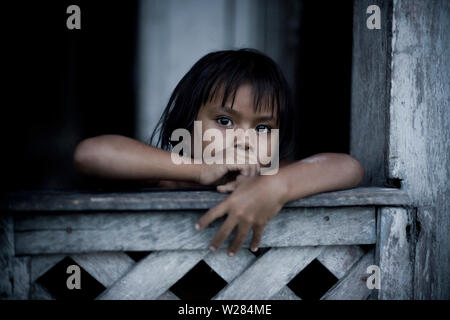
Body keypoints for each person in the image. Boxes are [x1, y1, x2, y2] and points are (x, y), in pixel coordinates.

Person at [73, 48, 364, 257]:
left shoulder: (273, 173)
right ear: (188, 122)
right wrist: (198, 171)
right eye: (225, 121)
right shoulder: (167, 176)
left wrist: (275, 187)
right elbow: (91, 154)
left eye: (263, 128)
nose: (244, 139)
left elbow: (348, 167)